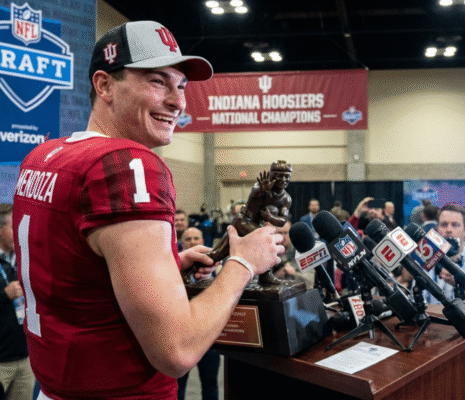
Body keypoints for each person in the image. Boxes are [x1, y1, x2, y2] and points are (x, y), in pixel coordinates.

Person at [12, 20, 283, 400]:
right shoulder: (127, 165)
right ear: (104, 85)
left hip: (55, 387)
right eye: (157, 82)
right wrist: (243, 264)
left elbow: (76, 277)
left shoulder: (44, 155)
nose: (178, 102)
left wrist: (162, 269)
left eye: (181, 86)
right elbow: (176, 350)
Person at [204, 161, 292, 285]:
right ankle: (266, 276)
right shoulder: (261, 186)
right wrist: (261, 190)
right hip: (243, 221)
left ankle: (191, 269)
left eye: (287, 176)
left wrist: (270, 218)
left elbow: (282, 221)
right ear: (272, 175)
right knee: (264, 241)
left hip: (255, 225)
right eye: (279, 175)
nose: (283, 179)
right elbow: (255, 193)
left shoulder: (286, 198)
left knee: (218, 253)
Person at [176, 227, 219, 400]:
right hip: (182, 336)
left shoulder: (215, 266)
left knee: (210, 384)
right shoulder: (173, 270)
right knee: (178, 387)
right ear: (182, 243)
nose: (192, 242)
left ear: (202, 241)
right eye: (188, 239)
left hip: (209, 336)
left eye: (196, 238)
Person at [0, 204, 34, 400]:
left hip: (25, 358)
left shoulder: (24, 257)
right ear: (1, 229)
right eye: (14, 226)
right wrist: (4, 295)